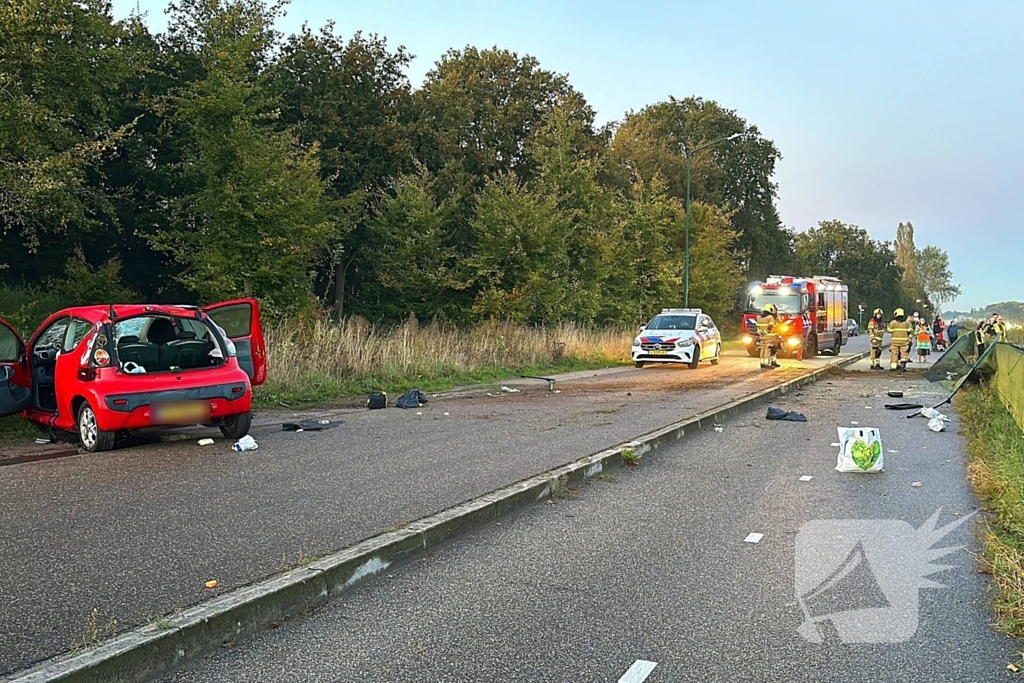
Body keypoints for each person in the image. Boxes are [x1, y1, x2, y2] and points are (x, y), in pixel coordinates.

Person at [756, 304, 780, 369]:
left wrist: (761, 333)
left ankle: (762, 363)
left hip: (762, 337)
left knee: (762, 349)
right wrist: (765, 332)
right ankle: (766, 364)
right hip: (769, 337)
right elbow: (770, 327)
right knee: (767, 350)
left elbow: (757, 327)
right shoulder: (771, 317)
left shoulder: (759, 317)